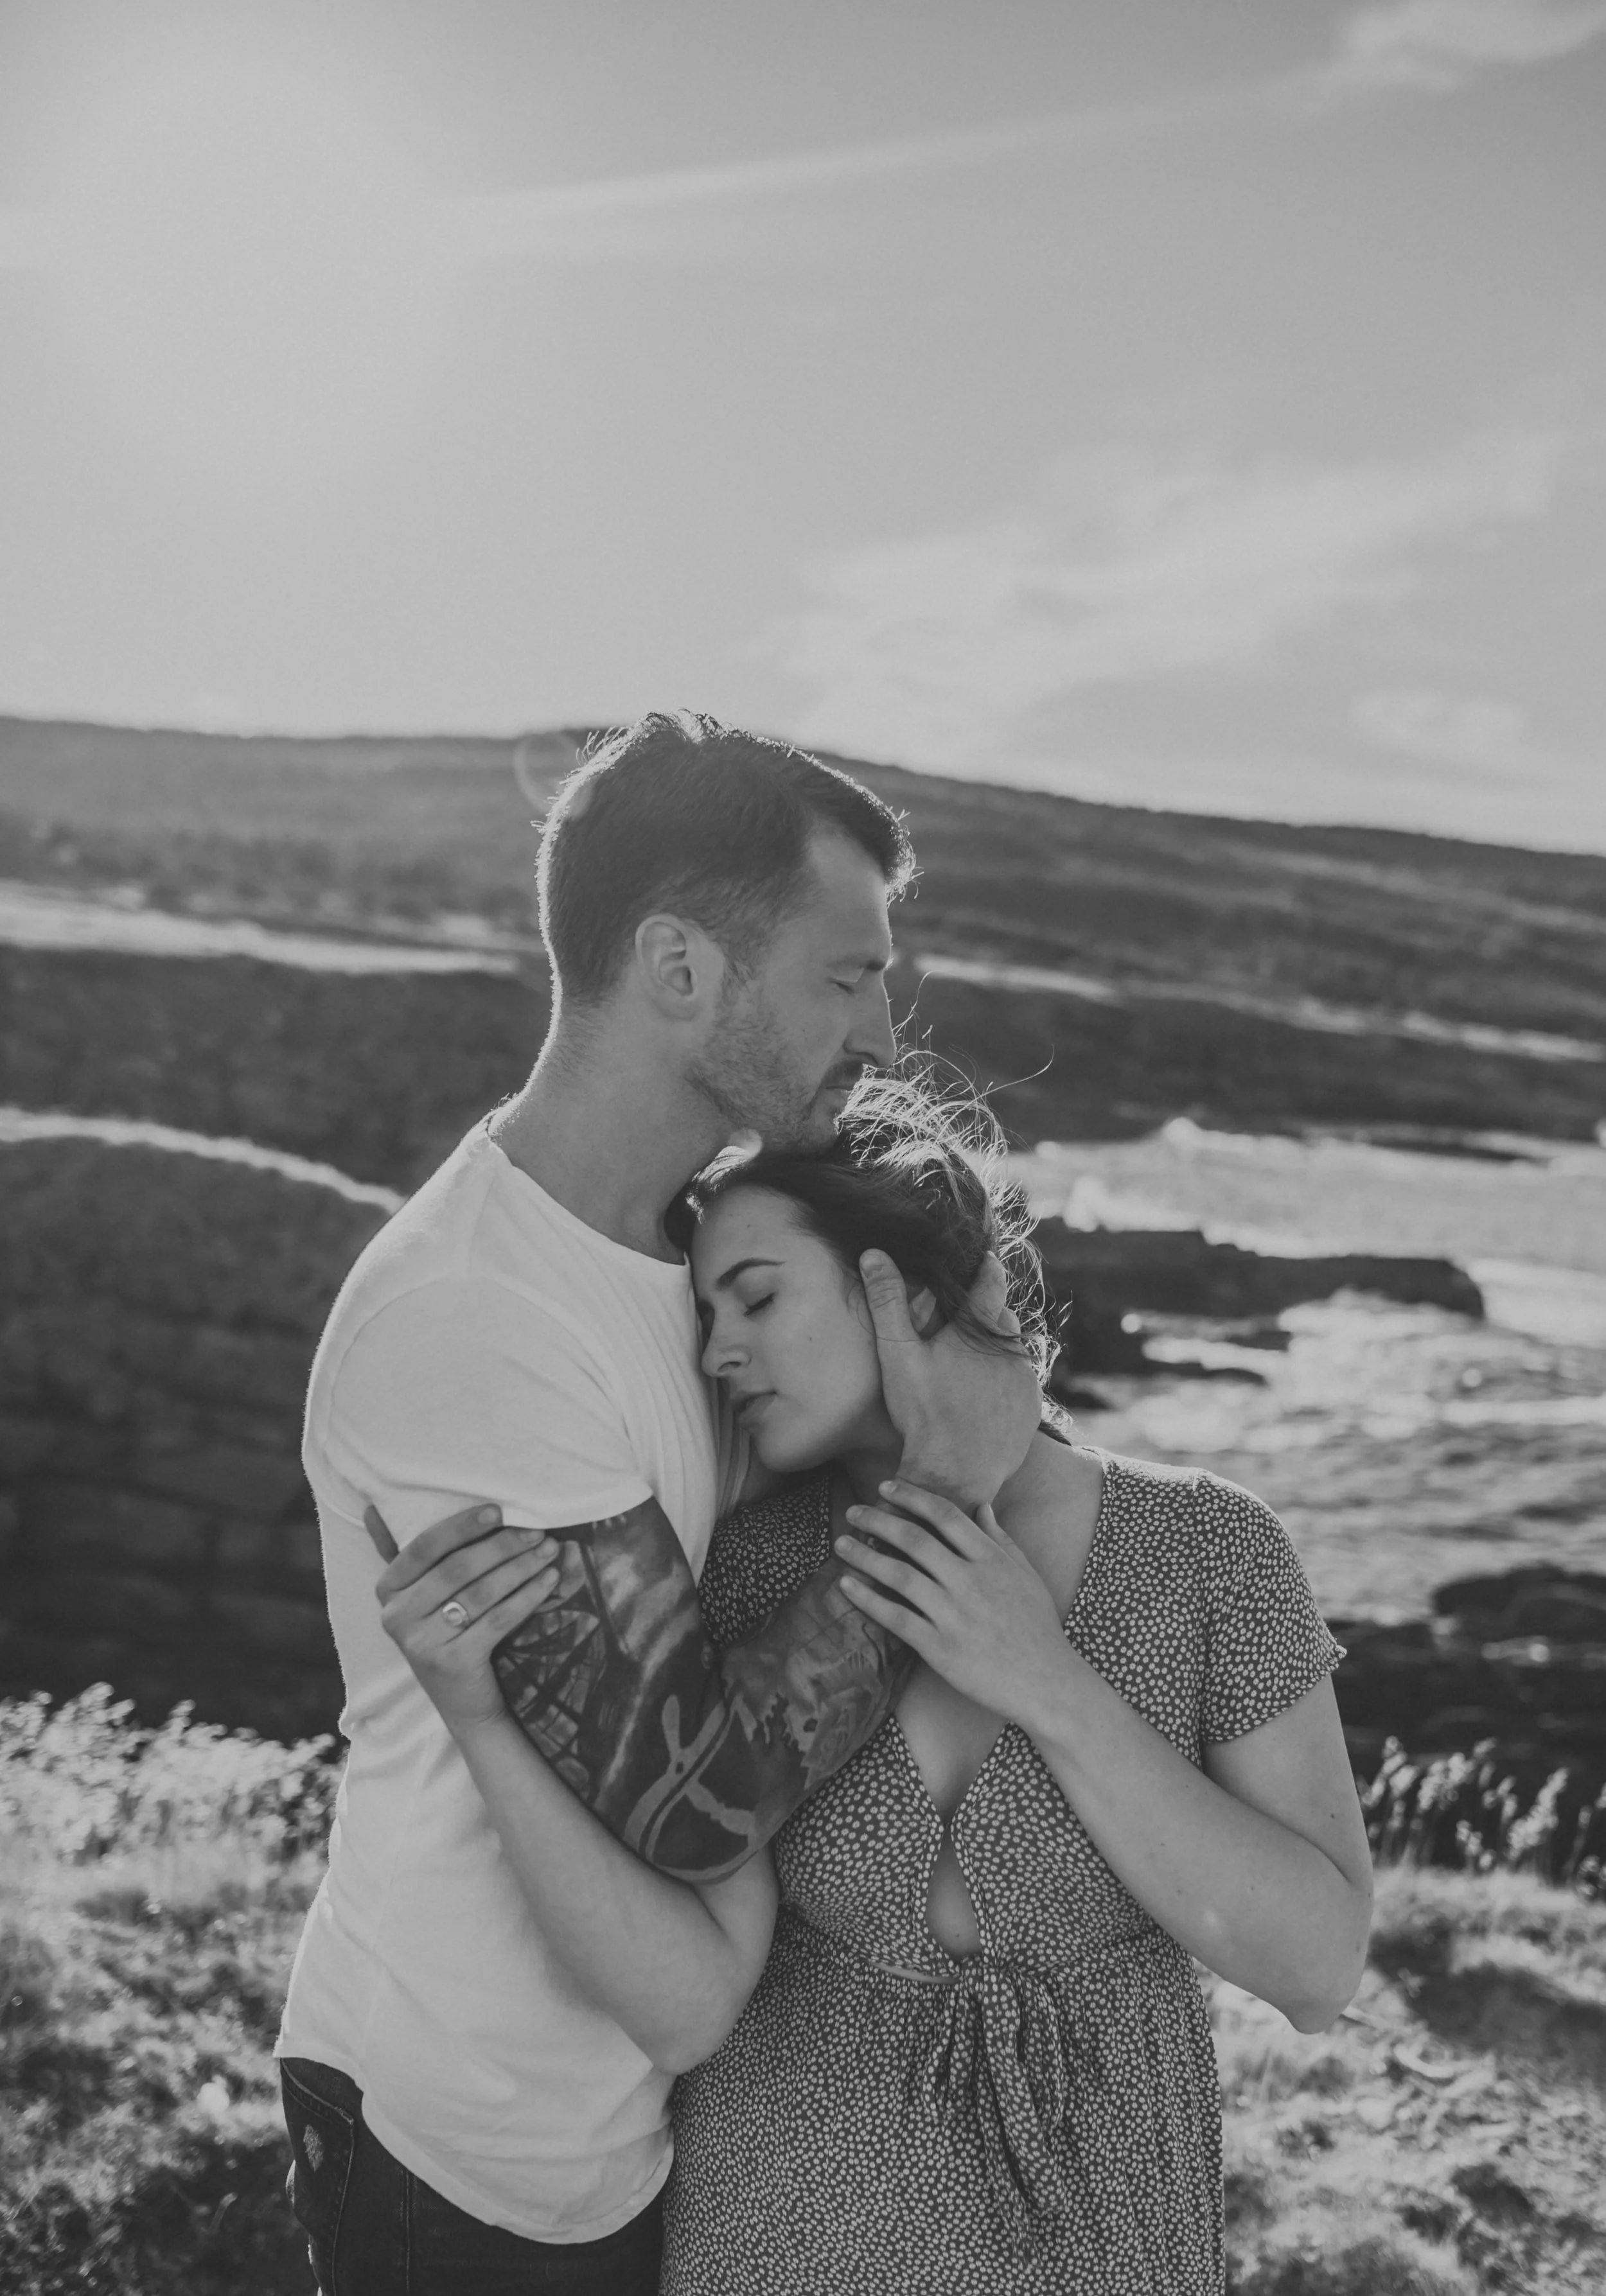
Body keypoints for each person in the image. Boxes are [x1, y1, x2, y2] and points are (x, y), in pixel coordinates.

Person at [376, 1074, 1374, 2294]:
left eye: (758, 1296)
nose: (717, 1351)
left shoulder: (1207, 1550)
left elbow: (1319, 1969)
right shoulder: (747, 1571)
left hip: (1106, 2247)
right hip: (781, 2240)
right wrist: (481, 1716)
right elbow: (690, 1983)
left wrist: (1049, 1683)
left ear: (908, 1290)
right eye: (705, 1315)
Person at [275, 712, 1039, 2295]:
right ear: (680, 967)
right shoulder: (479, 1319)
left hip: (628, 2129)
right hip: (462, 2144)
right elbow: (692, 1795)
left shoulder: (694, 1253)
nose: (882, 1032)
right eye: (845, 976)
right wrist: (944, 1486)